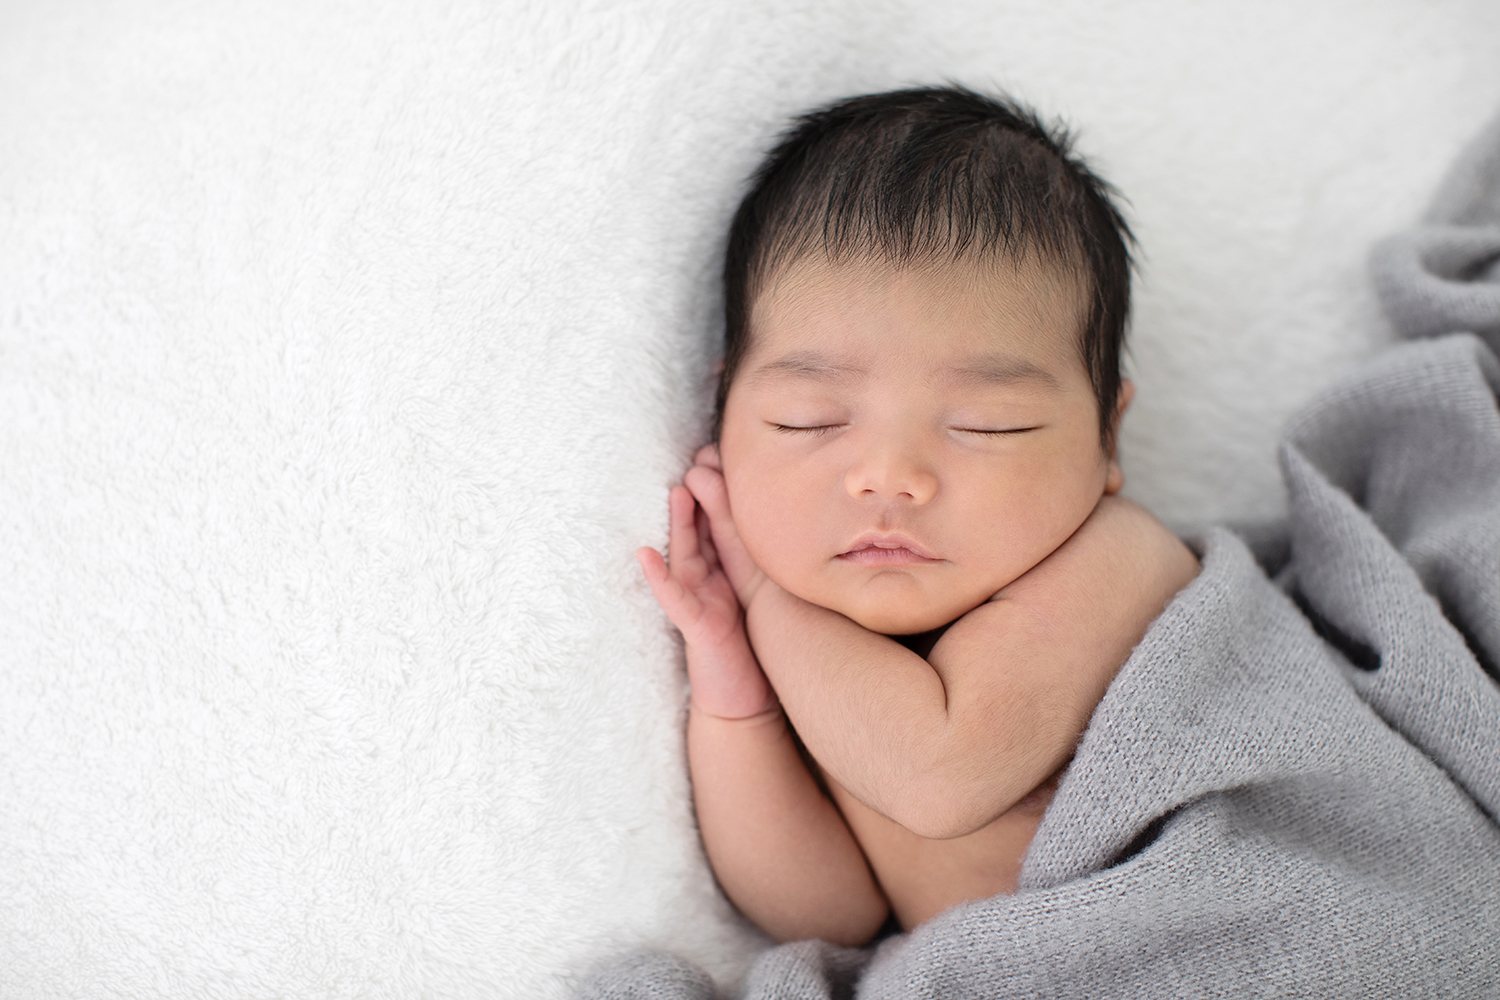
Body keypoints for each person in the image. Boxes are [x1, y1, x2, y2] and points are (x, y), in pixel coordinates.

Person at [636, 86, 1200, 948]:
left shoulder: (1117, 563)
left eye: (988, 426)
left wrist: (762, 595)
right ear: (723, 416)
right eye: (808, 420)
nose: (889, 479)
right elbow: (827, 916)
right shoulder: (819, 650)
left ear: (1108, 435)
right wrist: (737, 702)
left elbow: (936, 776)